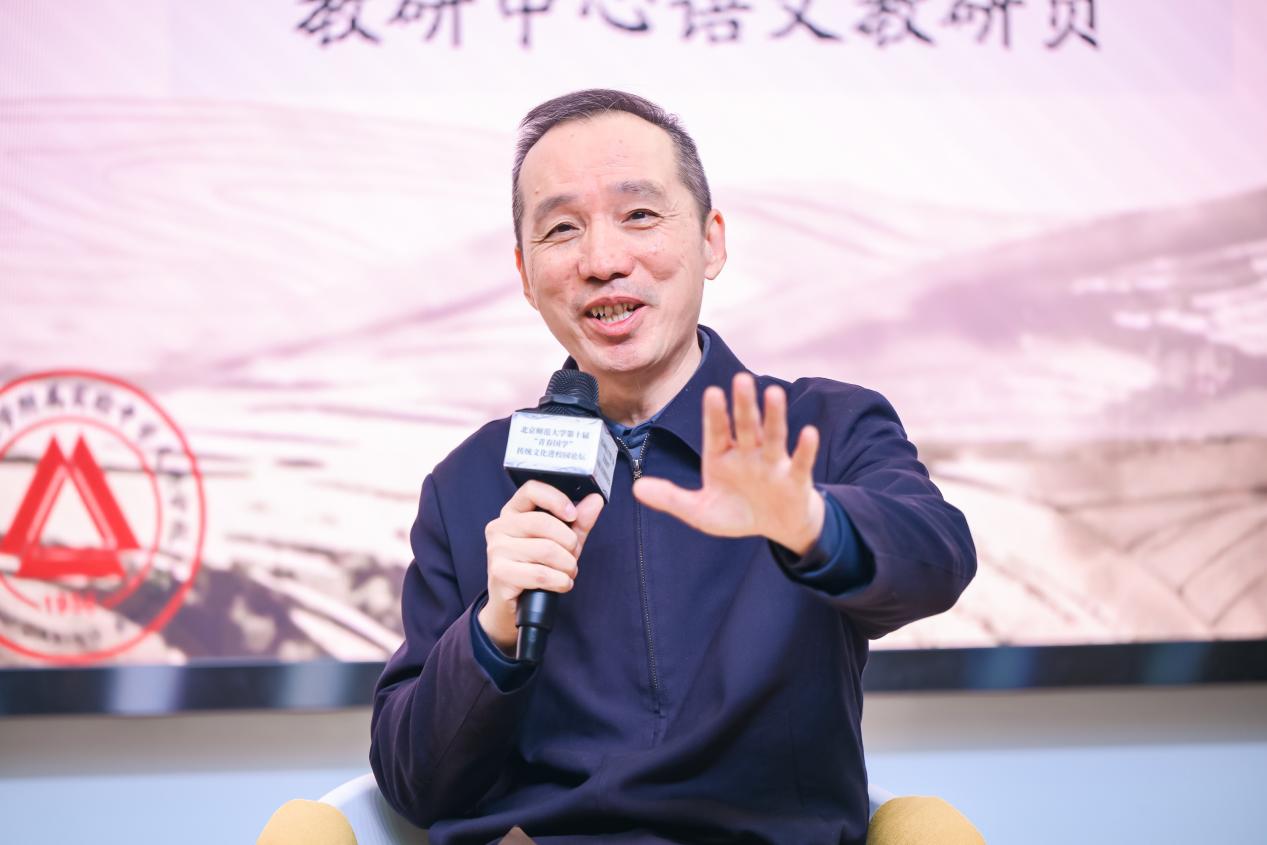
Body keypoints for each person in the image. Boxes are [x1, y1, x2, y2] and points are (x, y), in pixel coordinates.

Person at [369, 89, 977, 845]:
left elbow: (937, 560)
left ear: (711, 242)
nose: (602, 261)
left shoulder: (824, 427)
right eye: (562, 229)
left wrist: (810, 523)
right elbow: (413, 782)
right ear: (525, 274)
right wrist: (492, 628)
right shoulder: (469, 482)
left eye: (639, 215)